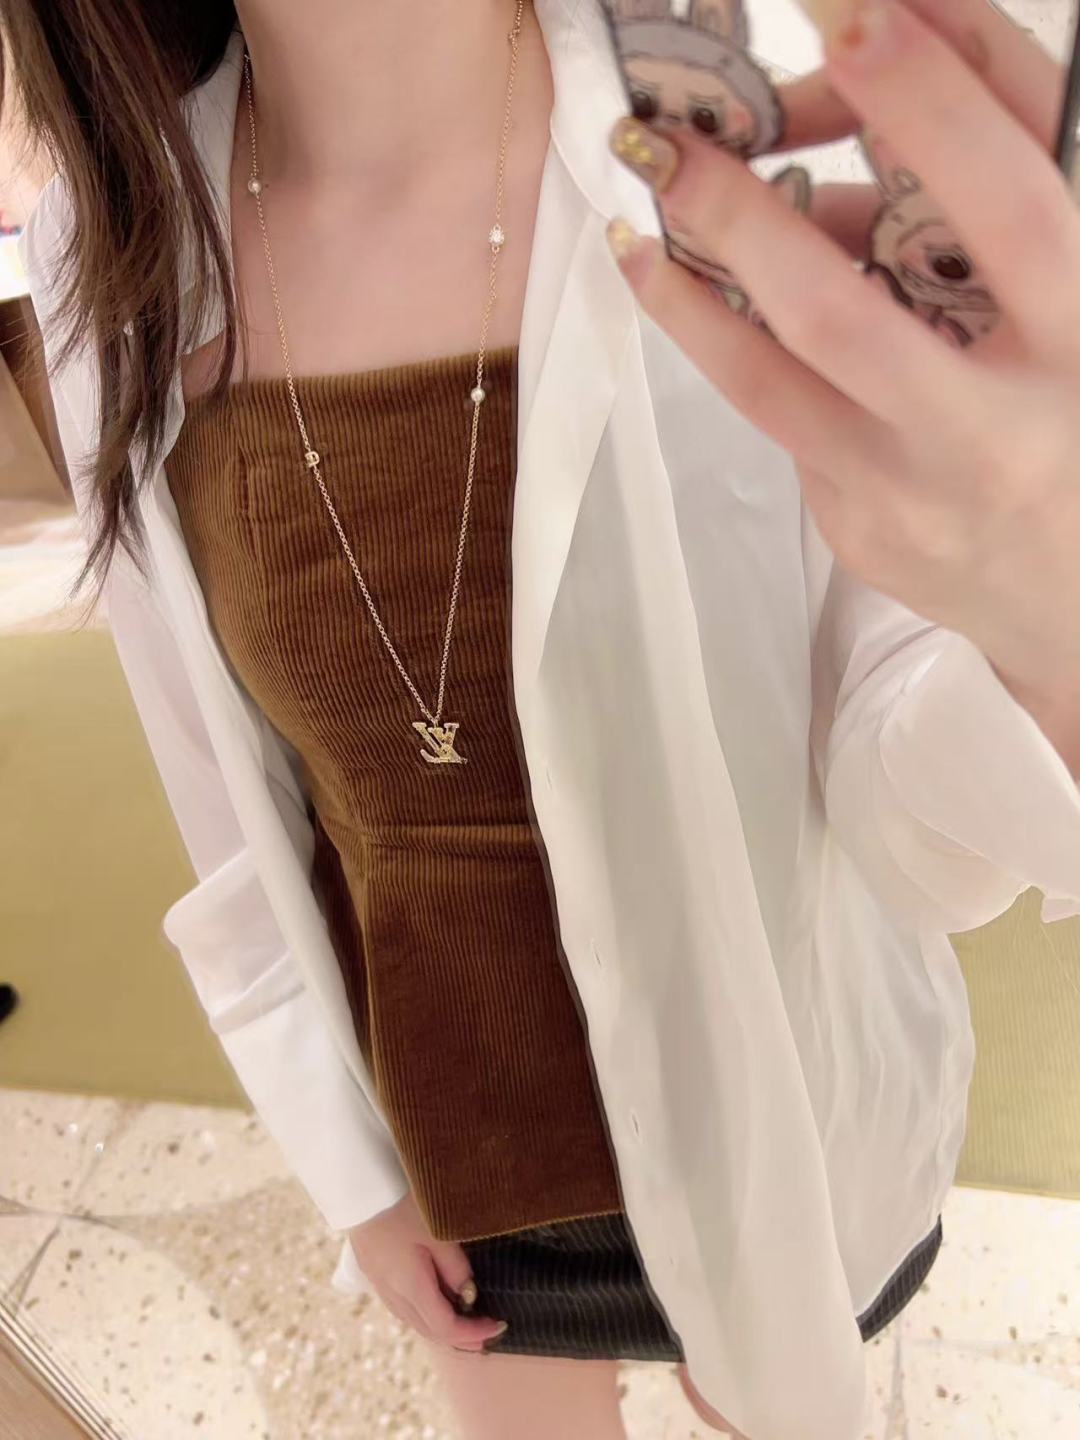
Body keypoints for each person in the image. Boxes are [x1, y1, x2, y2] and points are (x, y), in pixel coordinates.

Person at [5, 1, 1080, 1436]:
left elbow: (909, 836)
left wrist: (1046, 641)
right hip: (452, 1152)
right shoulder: (118, 239)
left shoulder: (745, 173)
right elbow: (231, 807)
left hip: (781, 1113)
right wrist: (352, 1172)